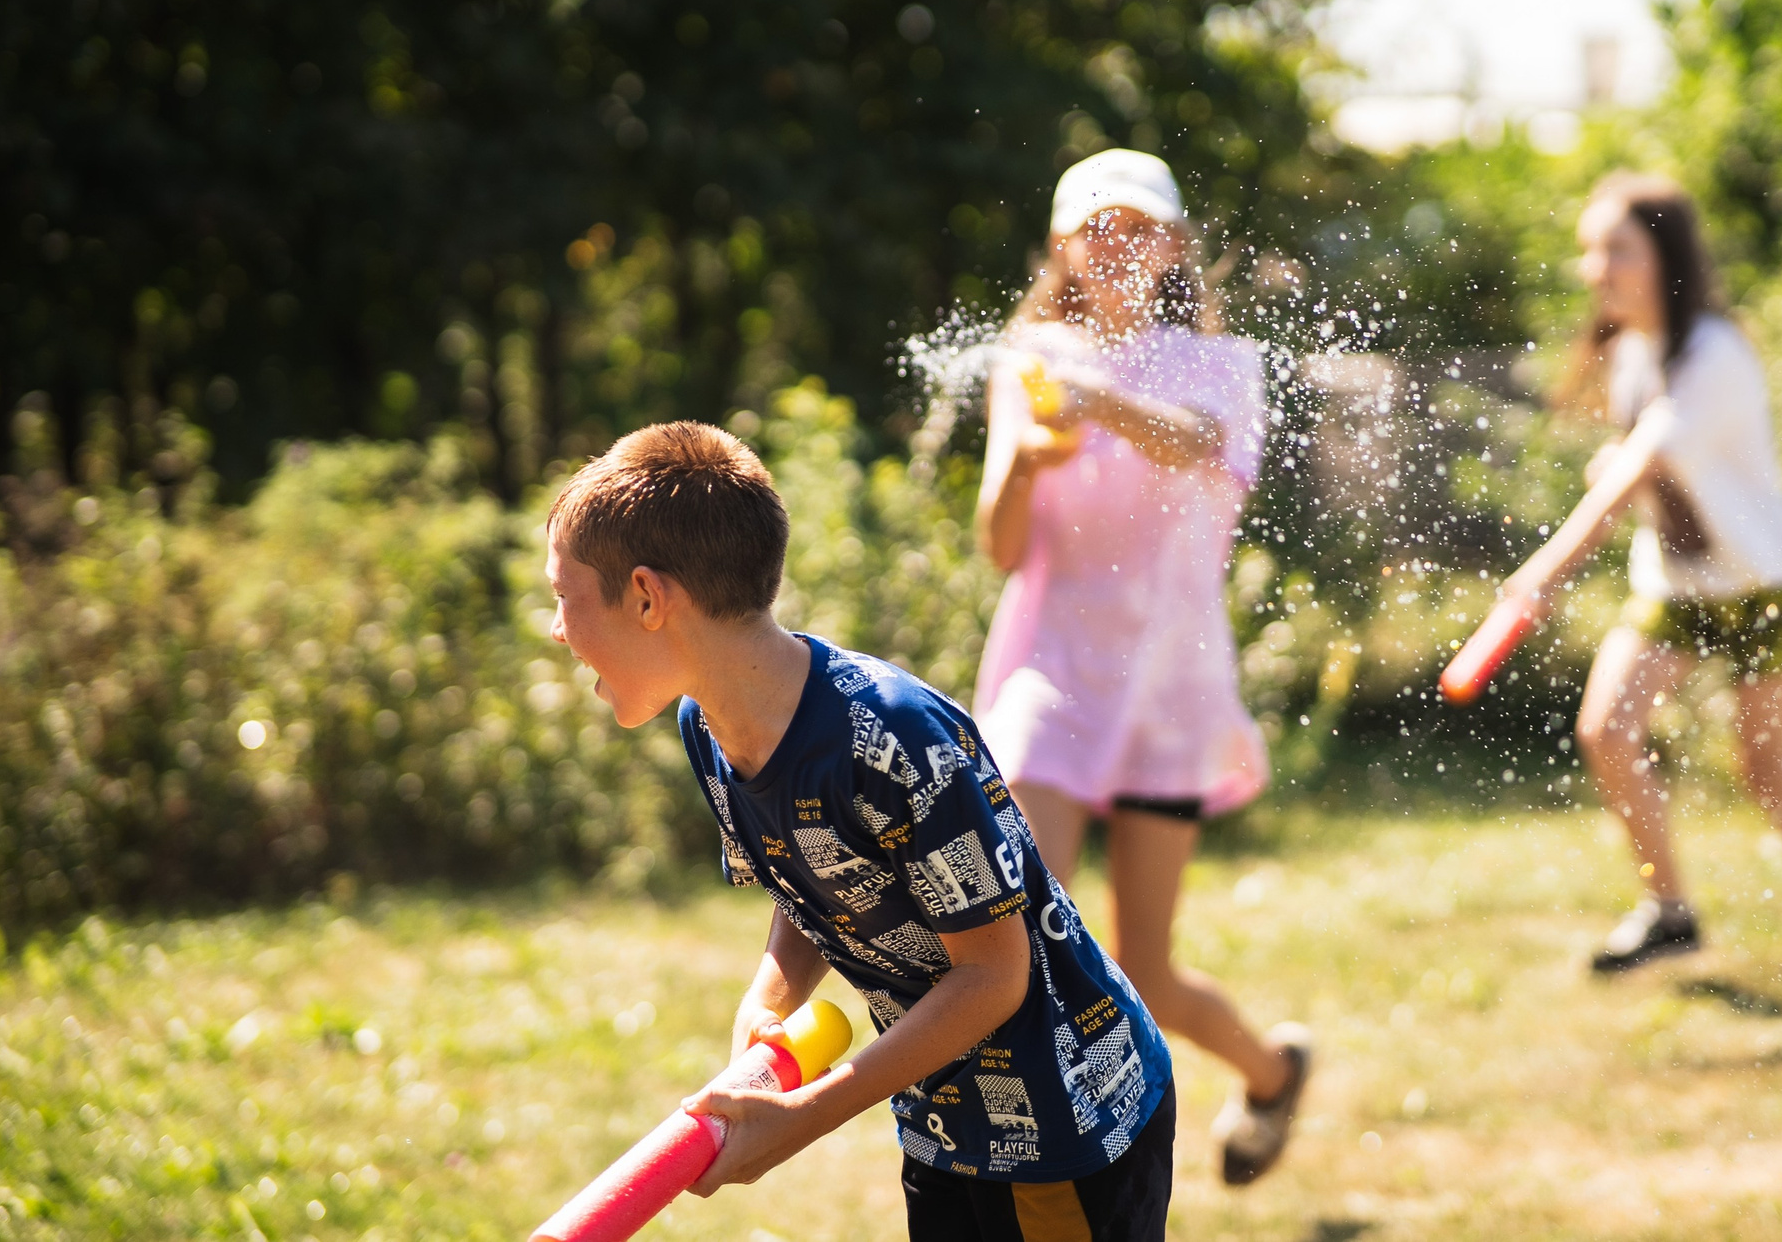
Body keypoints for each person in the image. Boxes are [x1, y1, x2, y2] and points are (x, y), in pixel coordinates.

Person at [544, 421, 1178, 1241]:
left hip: (1065, 1119)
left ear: (646, 596)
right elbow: (814, 875)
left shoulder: (889, 741)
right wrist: (769, 1000)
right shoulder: (710, 728)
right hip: (946, 1116)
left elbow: (995, 976)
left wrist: (803, 1114)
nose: (558, 628)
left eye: (565, 597)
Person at [972, 148, 1310, 1185]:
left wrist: (1094, 399)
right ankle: (1053, 1162)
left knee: (1145, 969)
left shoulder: (1225, 365)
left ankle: (1270, 1071)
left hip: (1170, 685)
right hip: (1049, 677)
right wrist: (1028, 458)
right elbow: (998, 542)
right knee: (1021, 943)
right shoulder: (1026, 357)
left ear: (1170, 245)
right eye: (1095, 226)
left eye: (1139, 227)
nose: (1117, 245)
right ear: (1063, 245)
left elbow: (1198, 442)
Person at [1495, 173, 1782, 976]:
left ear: (1665, 254)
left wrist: (1545, 570)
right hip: (1673, 585)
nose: (1597, 267)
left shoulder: (1715, 353)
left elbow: (1641, 466)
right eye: (1591, 250)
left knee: (1765, 768)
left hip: (1757, 586)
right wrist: (1628, 468)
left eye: (1618, 248)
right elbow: (1646, 466)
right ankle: (1670, 912)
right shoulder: (1635, 353)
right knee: (1606, 730)